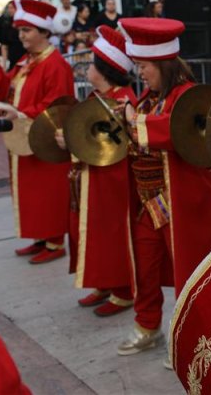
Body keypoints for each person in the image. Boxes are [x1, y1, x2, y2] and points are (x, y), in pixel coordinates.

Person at [116, 17, 211, 363]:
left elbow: (175, 129)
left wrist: (135, 121)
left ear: (164, 64)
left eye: (145, 66)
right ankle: (149, 326)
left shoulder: (188, 97)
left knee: (189, 272)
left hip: (182, 202)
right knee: (145, 268)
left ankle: (192, 340)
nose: (140, 73)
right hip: (149, 202)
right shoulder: (147, 99)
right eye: (137, 66)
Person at [0, 0, 75, 264]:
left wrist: (20, 113)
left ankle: (54, 242)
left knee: (47, 191)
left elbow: (57, 105)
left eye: (27, 30)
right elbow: (4, 91)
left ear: (44, 32)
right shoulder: (26, 61)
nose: (22, 35)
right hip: (24, 136)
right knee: (31, 191)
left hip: (44, 139)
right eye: (20, 31)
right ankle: (40, 237)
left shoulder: (55, 65)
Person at [55, 26, 136, 317]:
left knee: (111, 233)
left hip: (111, 181)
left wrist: (73, 142)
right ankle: (103, 282)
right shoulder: (98, 97)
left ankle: (123, 290)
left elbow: (111, 145)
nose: (87, 68)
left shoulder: (121, 101)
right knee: (92, 232)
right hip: (92, 178)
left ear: (104, 70)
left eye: (91, 63)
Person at [0, 1, 23, 70]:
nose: (10, 10)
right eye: (8, 8)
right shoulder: (5, 24)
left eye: (12, 8)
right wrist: (4, 63)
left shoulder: (24, 24)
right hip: (11, 59)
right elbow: (4, 45)